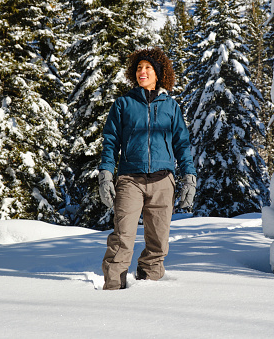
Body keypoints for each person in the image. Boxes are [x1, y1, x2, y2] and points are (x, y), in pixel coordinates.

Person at [98, 47, 197, 290]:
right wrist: (106, 174)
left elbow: (182, 144)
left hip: (163, 180)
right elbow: (111, 141)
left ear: (158, 74)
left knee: (159, 242)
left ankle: (149, 287)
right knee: (122, 238)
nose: (143, 71)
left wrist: (189, 177)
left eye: (148, 68)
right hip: (130, 178)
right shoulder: (123, 104)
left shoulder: (171, 106)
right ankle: (112, 288)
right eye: (139, 67)